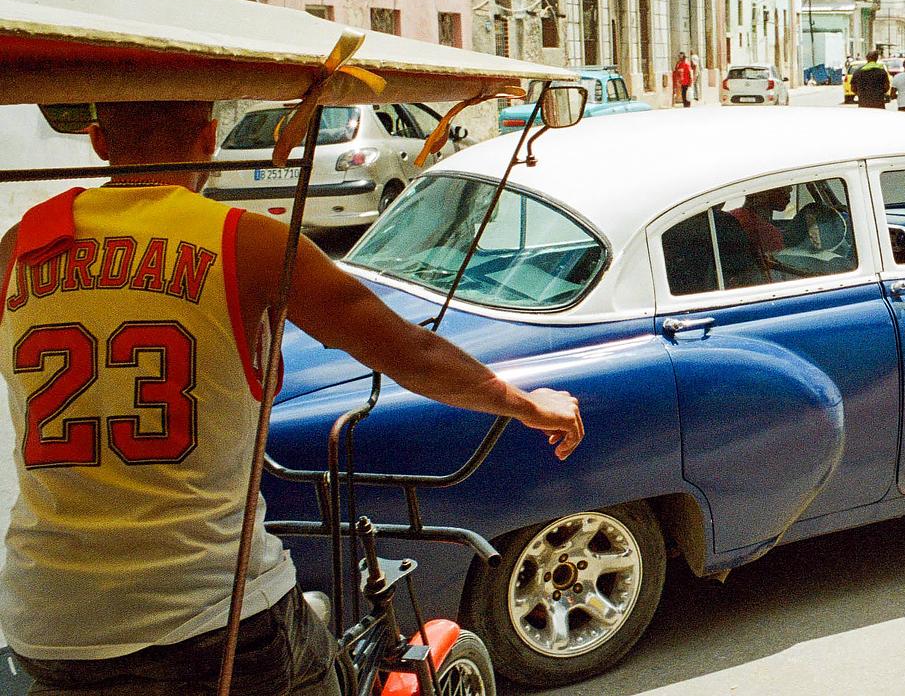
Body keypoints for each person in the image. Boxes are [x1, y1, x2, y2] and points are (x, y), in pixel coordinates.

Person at [0, 101, 585, 696]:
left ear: (99, 142)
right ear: (209, 137)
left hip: (49, 621)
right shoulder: (245, 241)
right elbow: (411, 353)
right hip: (212, 615)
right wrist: (529, 405)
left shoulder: (19, 245)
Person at [729, 185, 791, 256]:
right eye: (780, 186)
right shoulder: (767, 233)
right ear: (761, 193)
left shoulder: (734, 217)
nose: (790, 189)